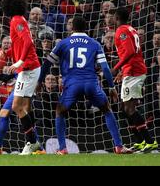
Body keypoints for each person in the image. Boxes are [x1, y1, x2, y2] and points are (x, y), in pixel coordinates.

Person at [39, 17, 132, 154]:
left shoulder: (63, 43)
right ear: (86, 28)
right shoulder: (94, 43)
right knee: (107, 110)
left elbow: (47, 63)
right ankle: (118, 146)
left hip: (72, 85)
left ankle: (63, 148)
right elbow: (105, 68)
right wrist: (112, 87)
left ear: (72, 28)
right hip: (91, 84)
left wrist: (40, 81)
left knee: (60, 112)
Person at [111, 8, 158, 153]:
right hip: (131, 70)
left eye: (113, 16)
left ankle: (149, 142)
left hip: (134, 71)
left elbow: (130, 52)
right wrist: (122, 71)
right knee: (124, 109)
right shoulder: (131, 29)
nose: (111, 19)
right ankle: (140, 141)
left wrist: (116, 67)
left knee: (129, 109)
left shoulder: (121, 31)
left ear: (117, 17)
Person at [2, 0, 43, 155]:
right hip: (29, 67)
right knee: (25, 106)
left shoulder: (17, 20)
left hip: (28, 69)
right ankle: (33, 143)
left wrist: (19, 62)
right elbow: (21, 44)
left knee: (16, 106)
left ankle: (32, 142)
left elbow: (28, 42)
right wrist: (8, 52)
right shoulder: (18, 20)